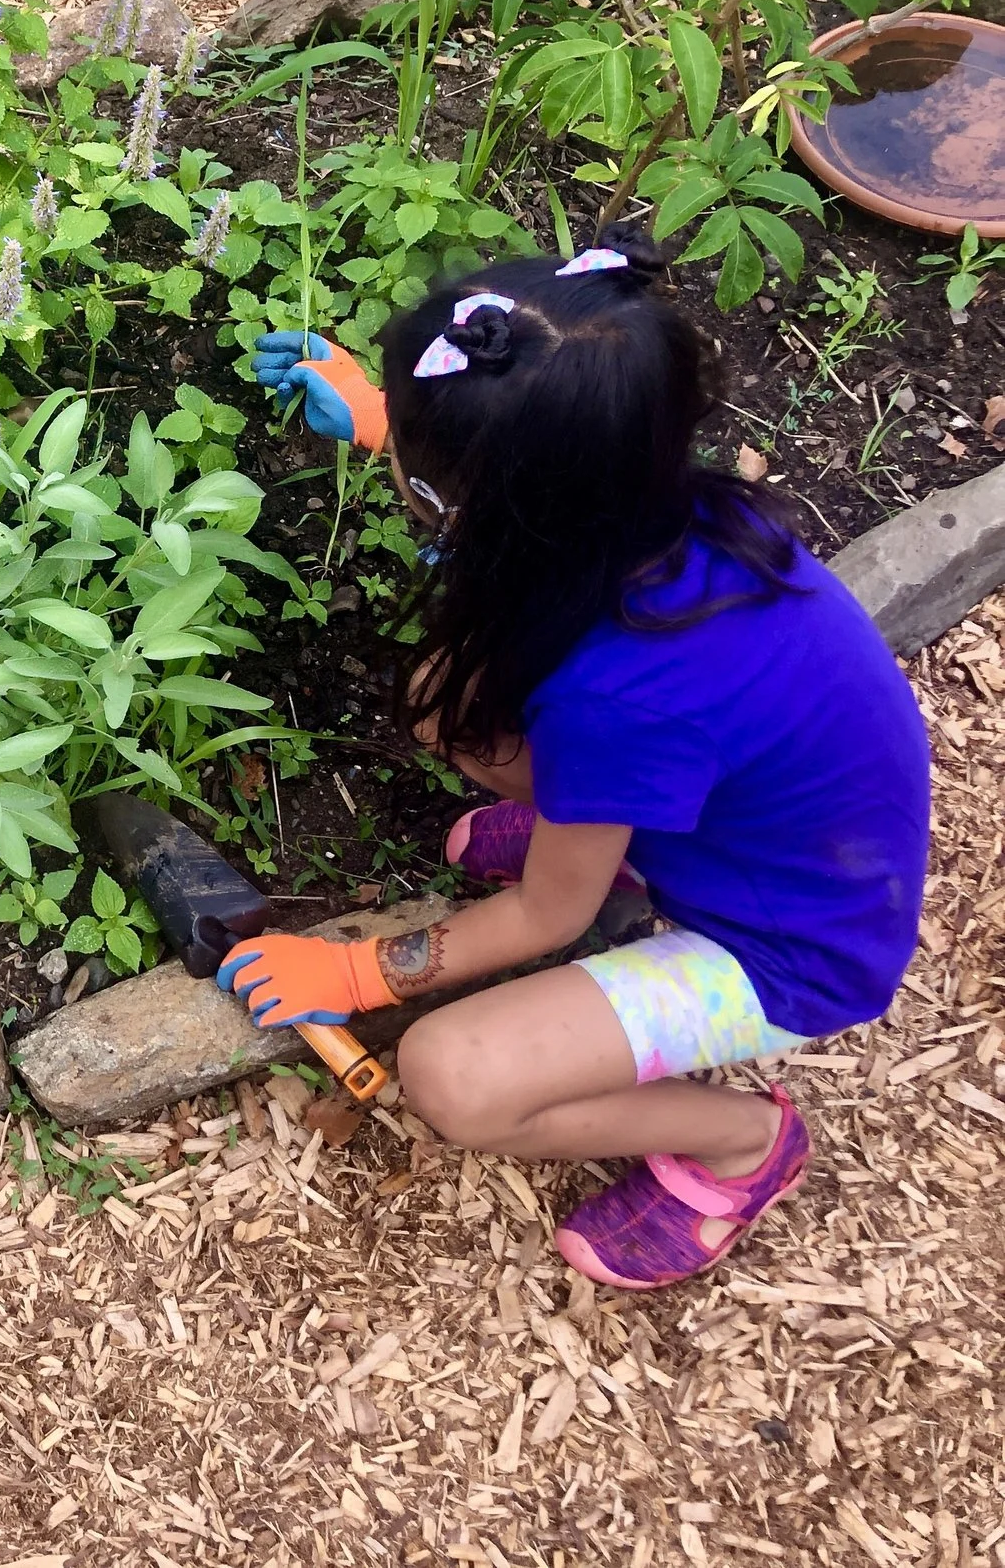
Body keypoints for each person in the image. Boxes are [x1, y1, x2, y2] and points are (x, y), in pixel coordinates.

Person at [230, 232, 929, 1289]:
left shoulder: (622, 697)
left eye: (423, 478)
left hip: (790, 943)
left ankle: (742, 1144)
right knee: (444, 706)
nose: (406, 487)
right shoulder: (658, 510)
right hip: (740, 818)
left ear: (493, 506)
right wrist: (390, 425)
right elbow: (534, 500)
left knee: (451, 1076)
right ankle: (595, 837)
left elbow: (545, 924)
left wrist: (356, 970)